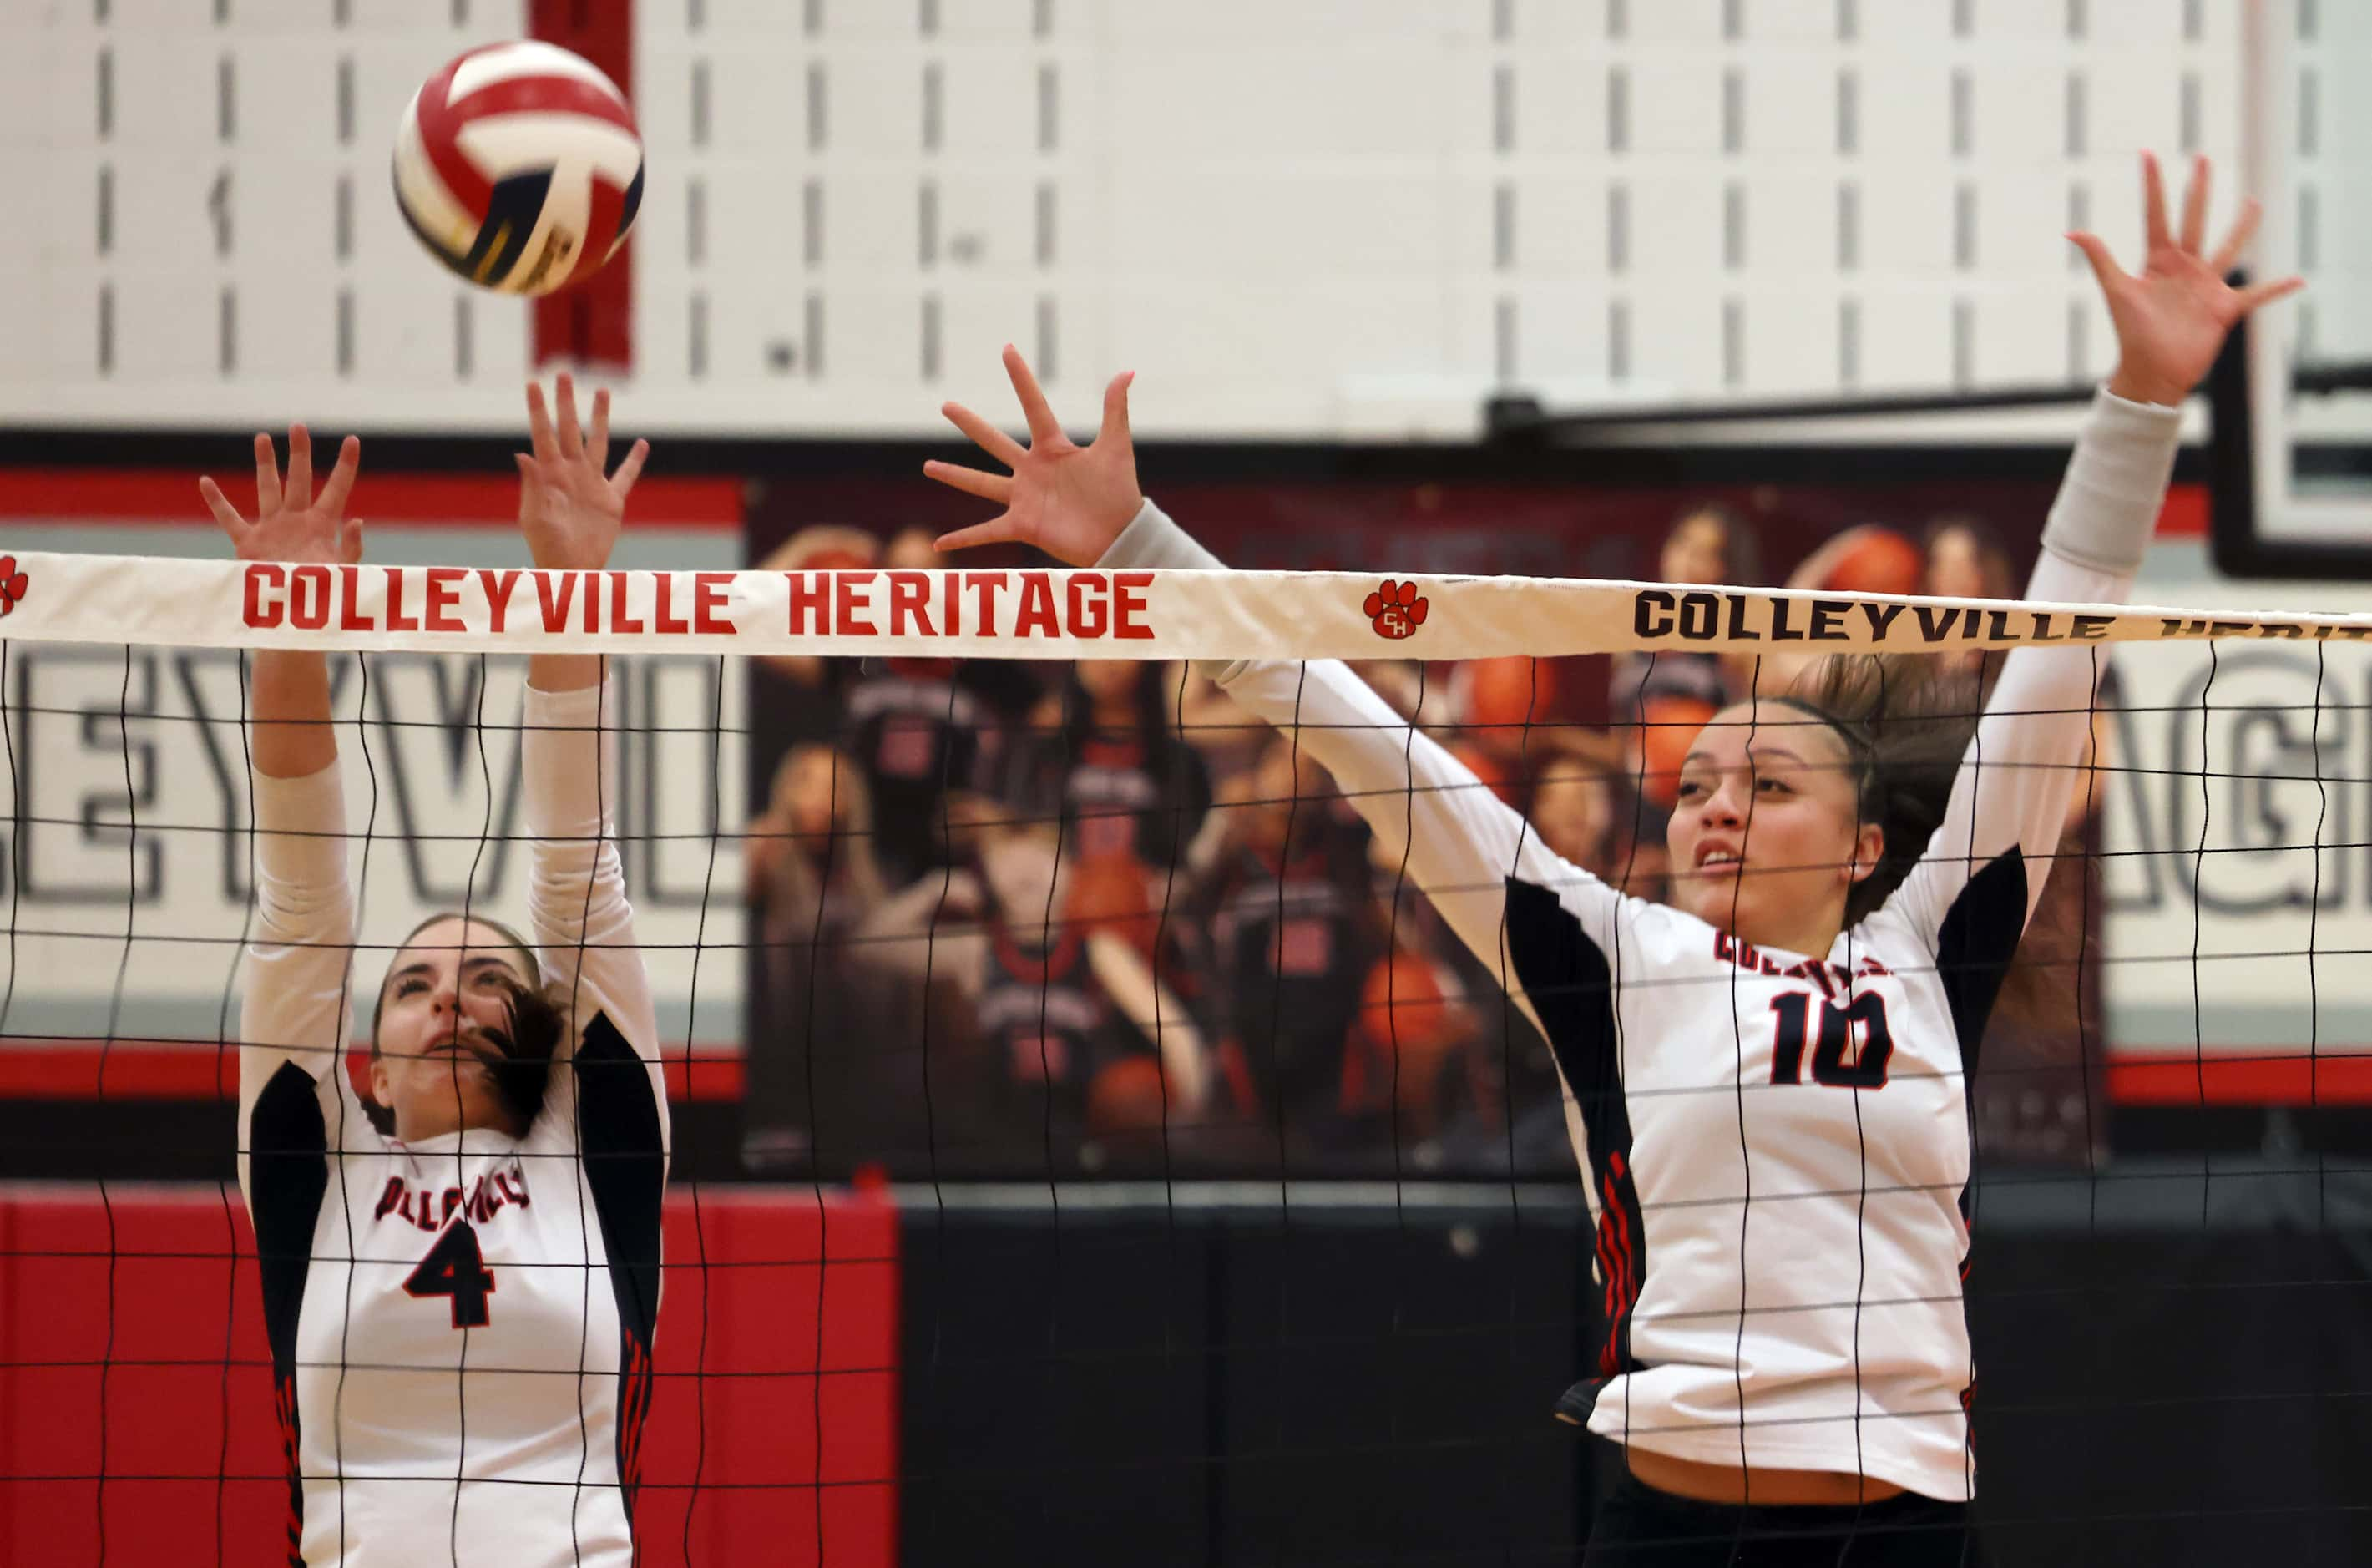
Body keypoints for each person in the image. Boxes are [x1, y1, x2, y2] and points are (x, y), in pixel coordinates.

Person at [922, 154, 2298, 1561]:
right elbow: (1359, 733)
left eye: (1768, 781)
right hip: (1669, 1532)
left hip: (1908, 1530)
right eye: (1697, 781)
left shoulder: (1933, 948)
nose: (1712, 805)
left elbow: (2065, 638)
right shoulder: (1612, 954)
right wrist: (1142, 547)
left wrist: (2143, 400)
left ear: (1866, 843)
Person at [211, 377, 665, 1567]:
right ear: (367, 1053)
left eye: (483, 981)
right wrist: (289, 631)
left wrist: (571, 587)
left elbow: (579, 877)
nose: (449, 997)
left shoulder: (590, 1147)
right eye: (414, 984)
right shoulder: (320, 1167)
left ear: (540, 1032)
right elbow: (302, 913)